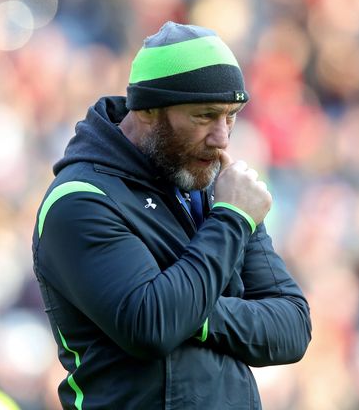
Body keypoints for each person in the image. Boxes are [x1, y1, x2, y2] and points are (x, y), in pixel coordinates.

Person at [32, 21, 312, 409]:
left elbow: (292, 328)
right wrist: (230, 219)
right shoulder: (80, 200)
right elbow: (152, 325)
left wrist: (192, 311)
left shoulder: (219, 187)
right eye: (204, 116)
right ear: (147, 110)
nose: (222, 137)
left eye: (230, 116)